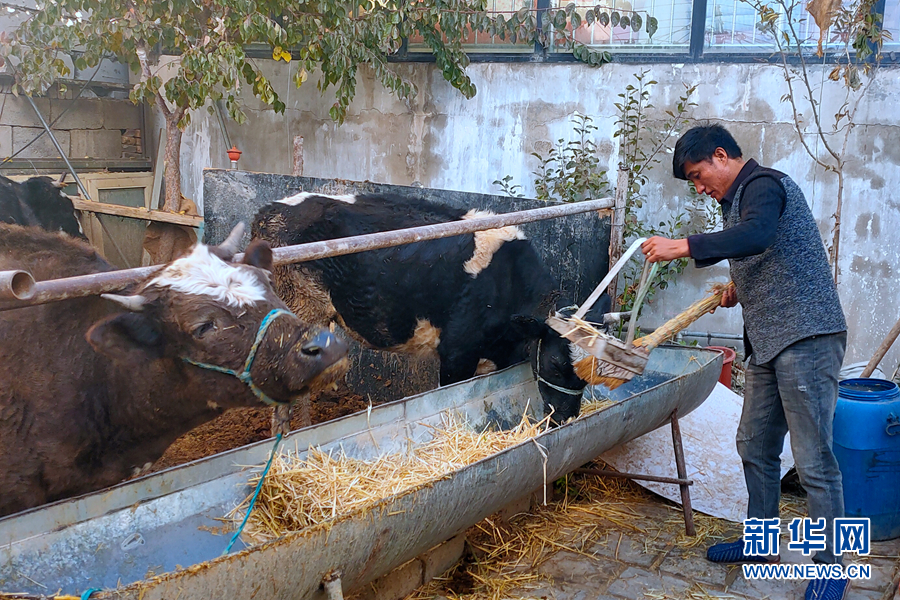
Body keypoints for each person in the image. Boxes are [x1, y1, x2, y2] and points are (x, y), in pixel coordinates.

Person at [641, 123, 848, 600]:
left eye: (698, 175)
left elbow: (757, 235)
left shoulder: (762, 185)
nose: (699, 186)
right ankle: (761, 542)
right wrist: (742, 289)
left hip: (807, 336)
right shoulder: (734, 201)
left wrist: (684, 245)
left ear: (721, 155)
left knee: (815, 459)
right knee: (754, 444)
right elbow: (767, 251)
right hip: (770, 341)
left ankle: (832, 567)